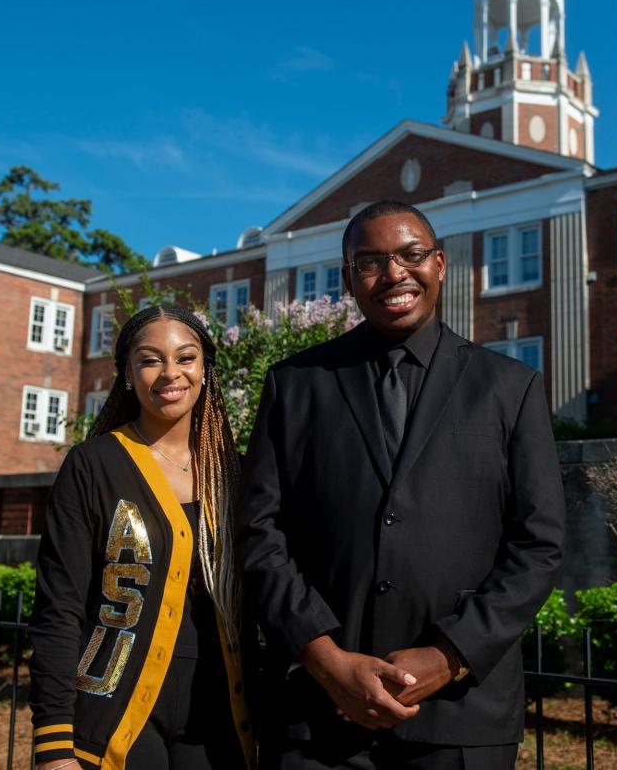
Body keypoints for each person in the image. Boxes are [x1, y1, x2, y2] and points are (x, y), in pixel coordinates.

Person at [239, 200, 565, 770]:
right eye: (370, 262)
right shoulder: (294, 385)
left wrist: (449, 655)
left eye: (411, 255)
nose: (393, 274)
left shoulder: (509, 387)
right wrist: (325, 659)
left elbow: (538, 545)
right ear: (347, 279)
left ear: (439, 264)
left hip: (462, 712)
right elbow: (259, 532)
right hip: (317, 712)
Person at [29, 305, 254, 770]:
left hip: (219, 722)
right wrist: (53, 745)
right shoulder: (93, 464)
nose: (170, 373)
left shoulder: (237, 473)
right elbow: (59, 608)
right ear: (128, 374)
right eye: (151, 360)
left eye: (186, 358)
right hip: (110, 718)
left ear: (205, 369)